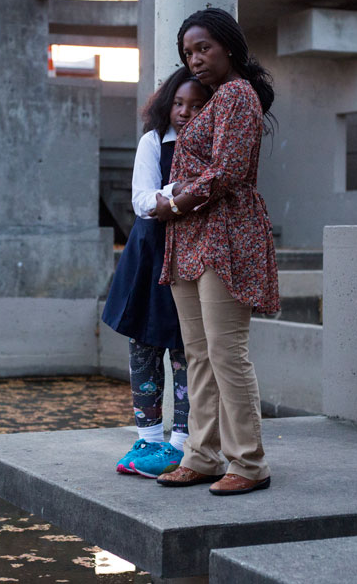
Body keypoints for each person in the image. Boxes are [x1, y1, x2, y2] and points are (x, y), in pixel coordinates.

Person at [151, 7, 280, 496]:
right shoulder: (211, 101)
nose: (196, 59)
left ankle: (248, 463)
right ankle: (201, 456)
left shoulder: (238, 96)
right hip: (191, 235)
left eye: (203, 48)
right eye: (188, 52)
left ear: (228, 45)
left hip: (226, 233)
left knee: (227, 353)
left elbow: (227, 171)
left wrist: (175, 201)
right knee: (198, 354)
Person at [102, 68, 212, 478]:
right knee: (143, 344)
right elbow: (142, 201)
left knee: (186, 348)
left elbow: (209, 197)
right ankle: (148, 438)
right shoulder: (152, 142)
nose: (186, 112)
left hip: (190, 254)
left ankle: (181, 443)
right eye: (179, 104)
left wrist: (176, 198)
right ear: (166, 104)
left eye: (197, 105)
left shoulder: (214, 148)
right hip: (149, 254)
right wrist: (178, 192)